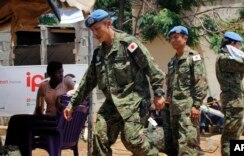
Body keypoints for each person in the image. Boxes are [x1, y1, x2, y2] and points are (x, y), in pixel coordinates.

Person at [63, 9, 166, 155]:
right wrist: (72, 104)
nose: (95, 33)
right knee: (99, 136)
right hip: (113, 103)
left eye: (97, 29)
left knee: (131, 140)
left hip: (135, 102)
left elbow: (152, 67)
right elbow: (88, 81)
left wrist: (158, 93)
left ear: (108, 24)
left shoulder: (128, 44)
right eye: (92, 30)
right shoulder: (99, 54)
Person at [165, 25, 208, 155]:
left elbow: (201, 82)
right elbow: (170, 85)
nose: (173, 40)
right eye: (171, 38)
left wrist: (196, 105)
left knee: (188, 145)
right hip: (174, 109)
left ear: (185, 38)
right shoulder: (172, 61)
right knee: (176, 144)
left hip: (188, 109)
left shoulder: (194, 57)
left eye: (176, 37)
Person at [216, 31, 244, 156]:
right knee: (230, 137)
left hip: (235, 102)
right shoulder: (224, 58)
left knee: (236, 135)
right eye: (238, 45)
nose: (239, 48)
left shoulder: (229, 56)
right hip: (232, 103)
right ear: (231, 44)